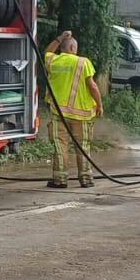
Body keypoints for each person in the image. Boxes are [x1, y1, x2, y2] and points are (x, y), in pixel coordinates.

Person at [43, 29, 104, 188]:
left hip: (59, 113)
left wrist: (60, 37)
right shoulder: (83, 62)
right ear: (72, 48)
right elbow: (92, 86)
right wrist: (99, 104)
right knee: (83, 147)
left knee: (60, 146)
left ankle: (60, 180)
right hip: (81, 115)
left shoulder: (54, 61)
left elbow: (47, 52)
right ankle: (86, 179)